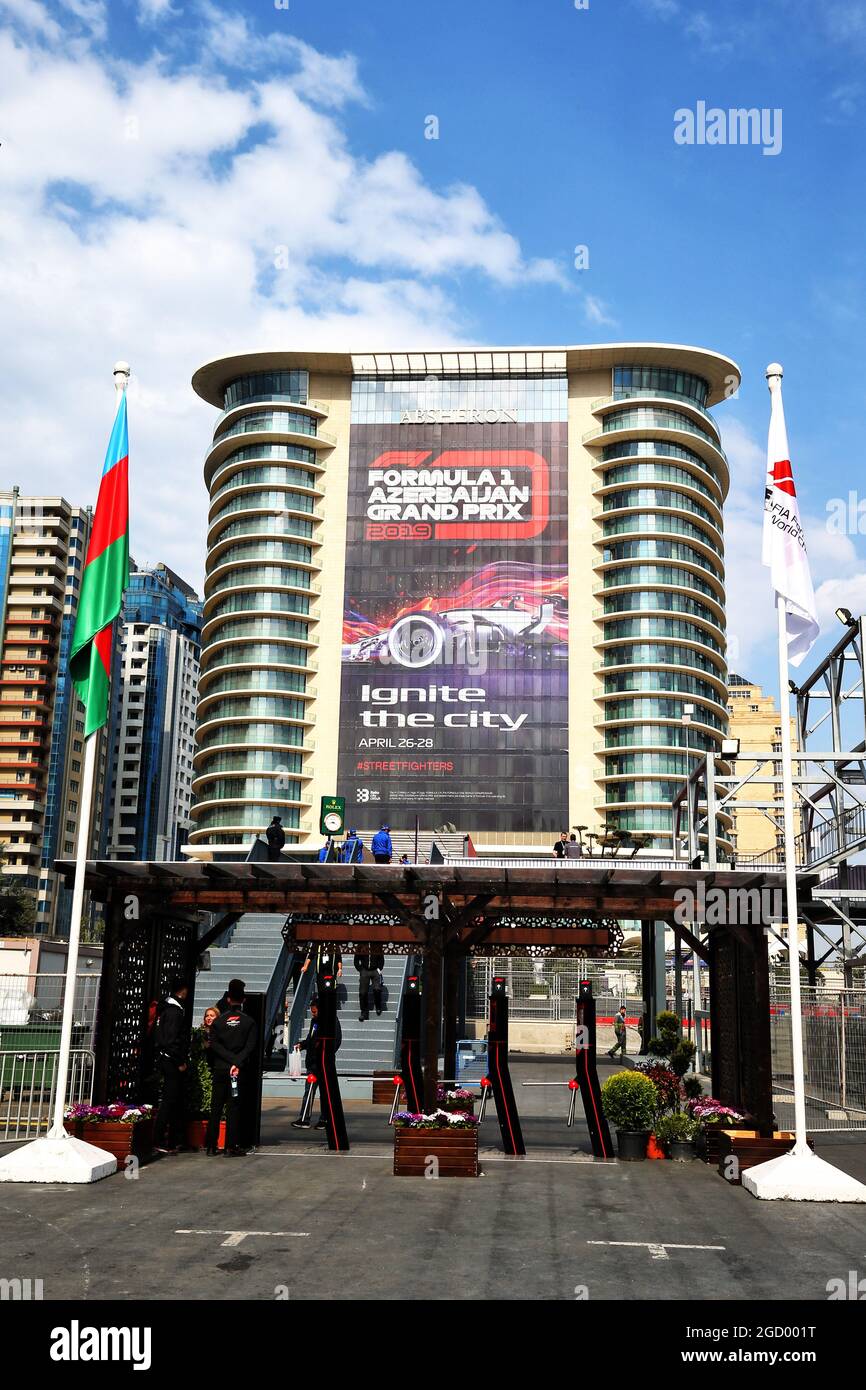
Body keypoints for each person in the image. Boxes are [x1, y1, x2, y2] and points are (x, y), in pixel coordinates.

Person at [206, 983, 258, 1156]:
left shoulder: (219, 1021)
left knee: (216, 1106)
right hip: (236, 1071)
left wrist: (228, 1060)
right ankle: (231, 1145)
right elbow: (250, 1046)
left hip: (220, 1068)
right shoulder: (249, 1021)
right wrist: (236, 1062)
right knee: (233, 1107)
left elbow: (214, 1044)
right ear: (243, 1000)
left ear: (228, 999)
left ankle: (211, 1145)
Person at [290, 999, 342, 1129]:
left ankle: (324, 1119)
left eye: (315, 1011)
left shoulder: (331, 1021)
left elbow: (337, 1040)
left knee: (325, 1092)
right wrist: (302, 1045)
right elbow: (311, 1039)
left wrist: (325, 1054)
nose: (313, 1014)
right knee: (309, 1091)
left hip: (324, 1062)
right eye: (312, 1012)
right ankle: (304, 1118)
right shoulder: (315, 1022)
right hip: (312, 1063)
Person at [153, 977, 189, 1155]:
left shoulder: (165, 1008)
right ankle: (160, 1139)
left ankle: (173, 1138)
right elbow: (172, 1039)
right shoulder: (175, 1012)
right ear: (182, 990)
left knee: (171, 1100)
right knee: (169, 1100)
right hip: (171, 1060)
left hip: (164, 1058)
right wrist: (180, 1061)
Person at [354, 945, 385, 1021]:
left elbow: (381, 959)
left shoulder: (377, 945)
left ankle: (378, 1006)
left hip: (375, 970)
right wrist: (360, 969)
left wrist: (379, 968)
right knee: (363, 992)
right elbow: (356, 959)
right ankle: (364, 1012)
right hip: (365, 970)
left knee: (377, 989)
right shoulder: (361, 945)